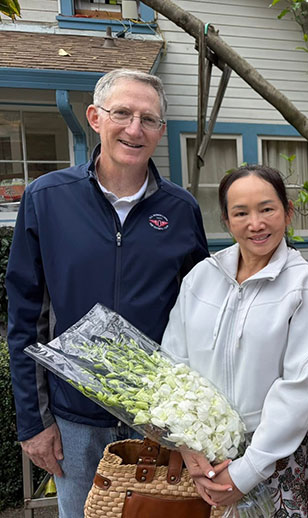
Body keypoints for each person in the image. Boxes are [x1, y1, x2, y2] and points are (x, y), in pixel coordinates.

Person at [6, 68, 209, 517]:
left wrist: (193, 420)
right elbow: (25, 318)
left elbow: (201, 318)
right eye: (122, 114)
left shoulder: (181, 210)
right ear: (95, 117)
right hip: (75, 423)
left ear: (160, 131)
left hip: (159, 422)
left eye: (148, 119)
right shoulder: (46, 198)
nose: (135, 129)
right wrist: (34, 423)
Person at [160, 164, 308, 517]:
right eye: (241, 213)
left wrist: (246, 471)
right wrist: (188, 446)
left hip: (273, 458)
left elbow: (298, 387)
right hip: (201, 457)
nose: (256, 224)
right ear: (226, 220)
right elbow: (173, 365)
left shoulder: (304, 285)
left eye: (267, 209)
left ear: (288, 211)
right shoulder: (201, 277)